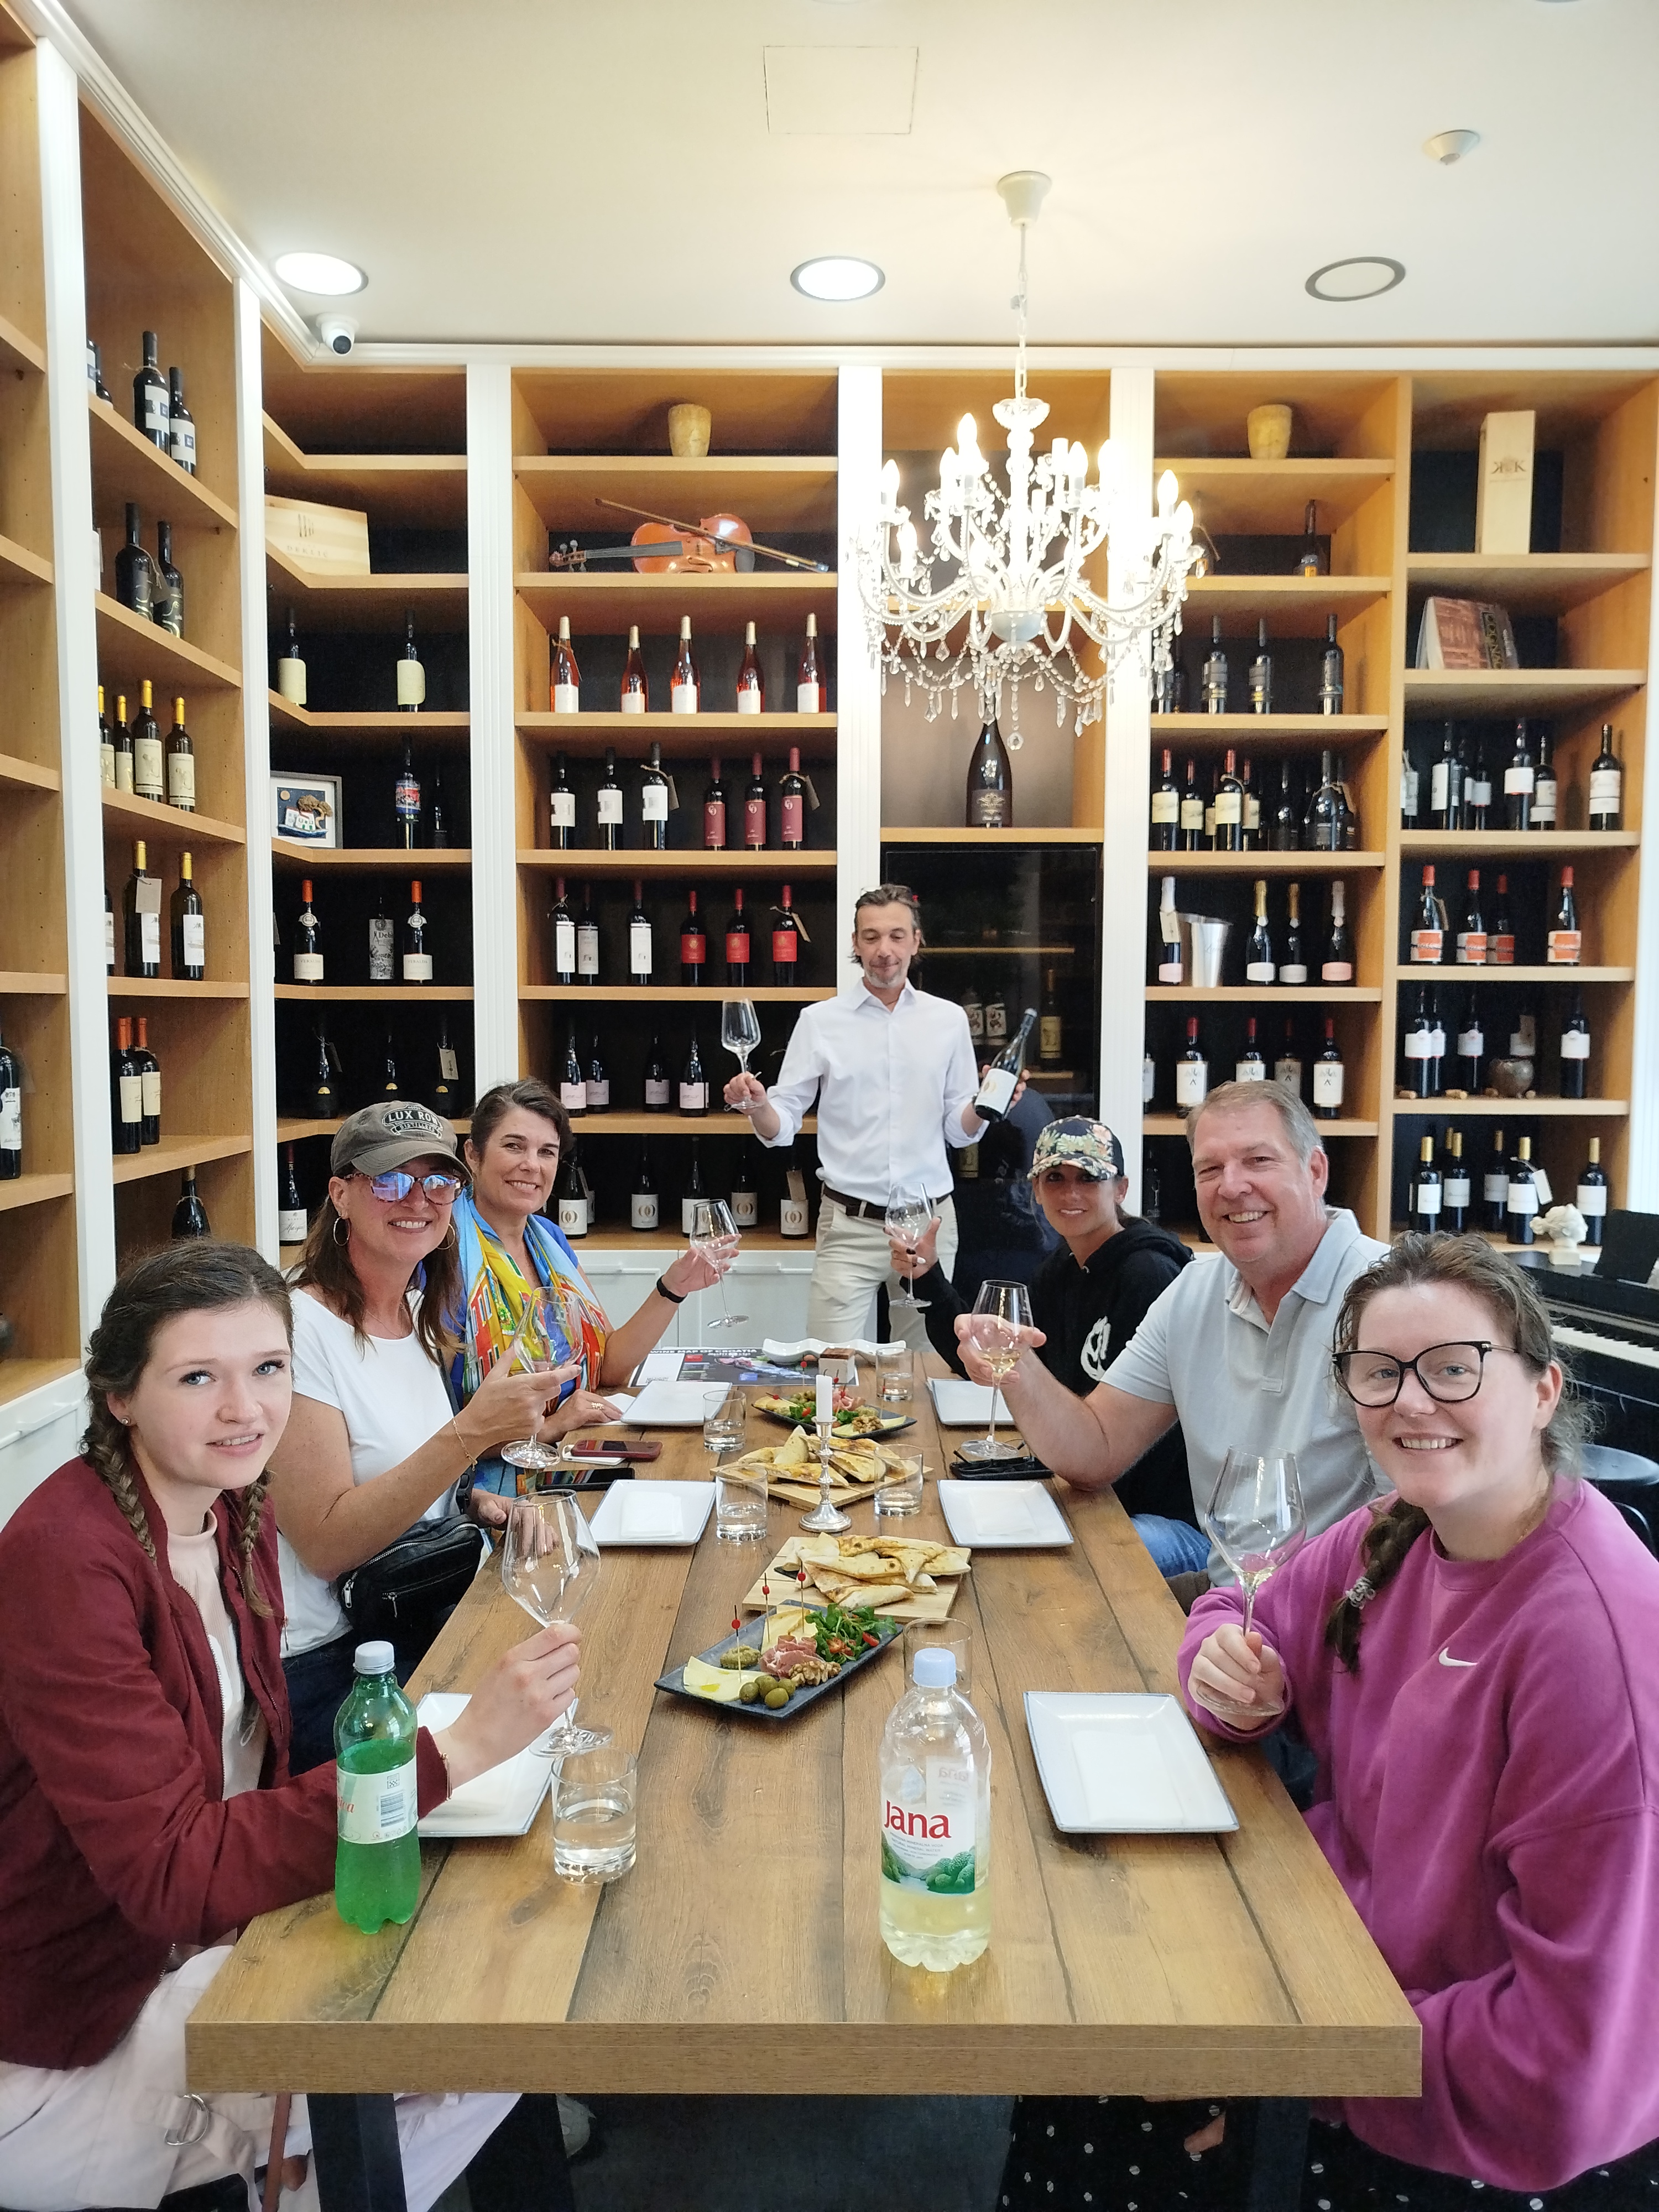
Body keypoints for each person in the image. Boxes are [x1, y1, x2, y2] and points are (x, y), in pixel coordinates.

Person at [998, 1234, 1659, 2210]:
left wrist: (1292, 2075)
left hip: (1455, 2108)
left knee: (1092, 2117)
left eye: (1454, 1369)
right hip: (1329, 1971)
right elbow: (1241, 1611)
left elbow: (1567, 2071)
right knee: (1075, 2034)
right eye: (1380, 1372)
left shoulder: (1594, 1644)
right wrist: (1224, 1671)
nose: (1412, 1401)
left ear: (1543, 1391)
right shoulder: (1399, 1531)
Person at [0, 1241, 581, 2212]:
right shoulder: (63, 1560)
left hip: (193, 1958)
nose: (247, 1409)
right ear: (121, 1397)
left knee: (506, 1998)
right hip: (65, 2038)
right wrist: (454, 1752)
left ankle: (306, 2176)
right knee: (493, 2034)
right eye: (198, 1378)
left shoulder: (232, 1510)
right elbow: (172, 1869)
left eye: (269, 1368)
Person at [958, 1081, 1389, 1578]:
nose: (1232, 1186)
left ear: (1315, 1172)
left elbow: (1417, 1525)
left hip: (1337, 1610)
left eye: (1258, 1161)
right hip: (1229, 1598)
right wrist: (1016, 1364)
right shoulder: (1193, 1293)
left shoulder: (1389, 1298)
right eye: (1210, 1169)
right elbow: (1095, 1450)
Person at [268, 1101, 571, 1773]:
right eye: (390, 1179)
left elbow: (406, 1476)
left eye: (438, 1181)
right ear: (340, 1194)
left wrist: (476, 1505)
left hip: (421, 1615)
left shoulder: (415, 1310)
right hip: (338, 1669)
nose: (418, 1199)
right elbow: (325, 1543)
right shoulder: (295, 1328)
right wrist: (470, 1434)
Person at [892, 1117, 1198, 1567]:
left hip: (1163, 1518)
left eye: (1088, 1178)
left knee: (1034, 1564)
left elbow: (1118, 1448)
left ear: (1121, 1189)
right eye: (1055, 1178)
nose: (1070, 1193)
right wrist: (928, 1277)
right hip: (1091, 1492)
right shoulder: (1062, 1270)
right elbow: (998, 1360)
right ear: (1035, 1190)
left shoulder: (1150, 1274)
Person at [722, 883, 996, 1348]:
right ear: (855, 943)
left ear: (916, 941)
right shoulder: (820, 1021)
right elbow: (782, 1125)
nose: (884, 949)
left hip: (927, 1227)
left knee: (924, 1365)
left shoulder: (948, 1021)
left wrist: (987, 1105)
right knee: (830, 1367)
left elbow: (959, 1131)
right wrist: (759, 1106)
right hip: (848, 1223)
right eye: (871, 937)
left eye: (896, 936)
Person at [451, 1077, 727, 1496]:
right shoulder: (443, 1255)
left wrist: (674, 1287)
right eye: (514, 1146)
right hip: (488, 1495)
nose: (532, 1165)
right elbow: (433, 1434)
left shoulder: (548, 1239)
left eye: (547, 1152)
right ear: (473, 1154)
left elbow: (609, 1367)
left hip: (571, 1460)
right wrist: (551, 1426)